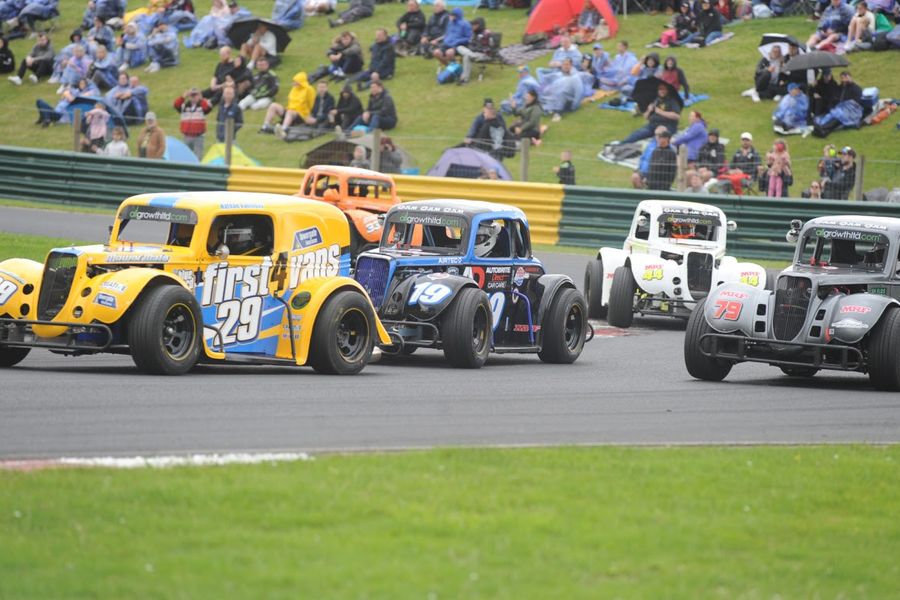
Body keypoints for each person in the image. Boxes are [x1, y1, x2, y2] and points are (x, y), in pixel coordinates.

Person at [813, 70, 863, 137]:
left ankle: (824, 128)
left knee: (839, 116)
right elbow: (834, 99)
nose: (844, 79)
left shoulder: (856, 88)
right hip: (839, 109)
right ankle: (822, 128)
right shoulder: (839, 88)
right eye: (842, 78)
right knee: (832, 115)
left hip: (850, 111)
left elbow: (856, 103)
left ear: (850, 77)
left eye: (846, 77)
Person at [174, 86, 212, 158]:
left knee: (198, 157)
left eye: (195, 95)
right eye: (192, 95)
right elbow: (176, 105)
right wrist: (183, 97)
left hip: (198, 137)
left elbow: (208, 108)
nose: (193, 97)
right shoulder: (184, 106)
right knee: (186, 156)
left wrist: (201, 99)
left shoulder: (202, 106)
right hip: (186, 136)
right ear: (189, 96)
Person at [631, 125, 668, 189]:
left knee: (647, 181)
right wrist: (639, 168)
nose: (657, 136)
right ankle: (640, 194)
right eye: (656, 134)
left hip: (656, 175)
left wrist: (649, 176)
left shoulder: (667, 149)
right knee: (635, 177)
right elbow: (643, 158)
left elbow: (662, 167)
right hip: (643, 171)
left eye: (659, 134)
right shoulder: (651, 144)